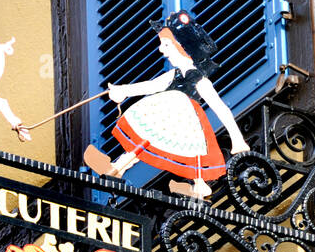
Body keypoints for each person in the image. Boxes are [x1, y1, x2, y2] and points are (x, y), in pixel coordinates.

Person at [83, 11, 250, 199]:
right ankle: (117, 168)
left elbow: (220, 107)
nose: (162, 50)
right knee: (145, 140)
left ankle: (200, 186)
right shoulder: (174, 74)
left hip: (188, 123)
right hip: (168, 117)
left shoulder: (198, 79)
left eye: (166, 45)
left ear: (182, 47)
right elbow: (151, 86)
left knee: (185, 150)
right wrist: (123, 90)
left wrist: (237, 139)